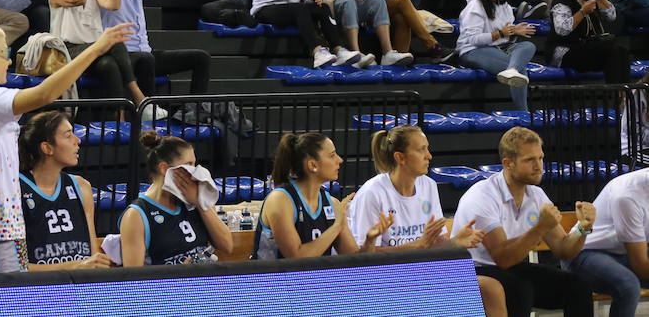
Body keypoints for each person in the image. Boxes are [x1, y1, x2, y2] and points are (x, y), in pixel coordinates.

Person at [0, 20, 135, 274]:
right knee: (14, 305)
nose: (9, 62)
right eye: (6, 53)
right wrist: (95, 50)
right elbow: (44, 94)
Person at [350, 128, 503, 315]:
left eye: (427, 149)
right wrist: (417, 246)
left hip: (421, 271)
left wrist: (455, 242)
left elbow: (432, 243)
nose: (429, 156)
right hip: (384, 277)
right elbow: (363, 257)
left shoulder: (428, 185)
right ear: (400, 158)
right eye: (421, 149)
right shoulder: (372, 193)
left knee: (491, 289)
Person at [451, 127, 596, 317]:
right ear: (508, 163)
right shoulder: (481, 196)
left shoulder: (535, 194)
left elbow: (563, 250)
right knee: (520, 290)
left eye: (540, 158)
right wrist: (541, 227)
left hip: (510, 268)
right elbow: (502, 258)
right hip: (472, 271)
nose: (538, 166)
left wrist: (582, 229)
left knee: (578, 286)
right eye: (530, 160)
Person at [49, 0, 145, 107]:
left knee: (110, 65)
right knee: (114, 43)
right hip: (68, 50)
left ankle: (118, 118)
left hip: (92, 49)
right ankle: (139, 97)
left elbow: (113, 4)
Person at [119, 132, 233, 266]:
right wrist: (178, 273)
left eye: (195, 164)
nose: (194, 172)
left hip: (204, 284)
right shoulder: (136, 215)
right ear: (165, 169)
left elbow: (227, 246)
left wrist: (200, 204)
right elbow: (133, 279)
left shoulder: (197, 198)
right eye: (188, 164)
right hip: (168, 286)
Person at [255, 132, 373, 259]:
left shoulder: (332, 203)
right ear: (313, 165)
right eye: (332, 155)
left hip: (316, 278)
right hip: (274, 278)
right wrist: (337, 226)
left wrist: (370, 240)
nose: (340, 160)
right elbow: (296, 258)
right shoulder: (280, 200)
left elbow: (354, 260)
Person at [18, 111, 110, 270]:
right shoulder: (16, 190)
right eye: (68, 136)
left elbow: (92, 254)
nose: (77, 140)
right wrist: (73, 267)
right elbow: (16, 268)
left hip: (78, 288)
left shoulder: (82, 187)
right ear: (47, 148)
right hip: (39, 291)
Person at [564, 167, 649, 317]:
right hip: (583, 252)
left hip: (624, 252)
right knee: (628, 286)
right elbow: (640, 265)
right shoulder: (627, 195)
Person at [456, 0, 539, 109]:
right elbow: (473, 39)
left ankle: (511, 70)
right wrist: (501, 33)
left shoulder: (505, 6)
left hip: (498, 47)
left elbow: (505, 34)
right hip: (472, 51)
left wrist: (514, 31)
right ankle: (523, 113)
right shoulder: (475, 5)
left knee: (528, 46)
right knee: (520, 71)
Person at [550, 0, 630, 83]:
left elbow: (611, 16)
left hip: (587, 47)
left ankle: (623, 97)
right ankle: (616, 96)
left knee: (622, 51)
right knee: (611, 52)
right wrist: (582, 12)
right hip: (565, 50)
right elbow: (562, 29)